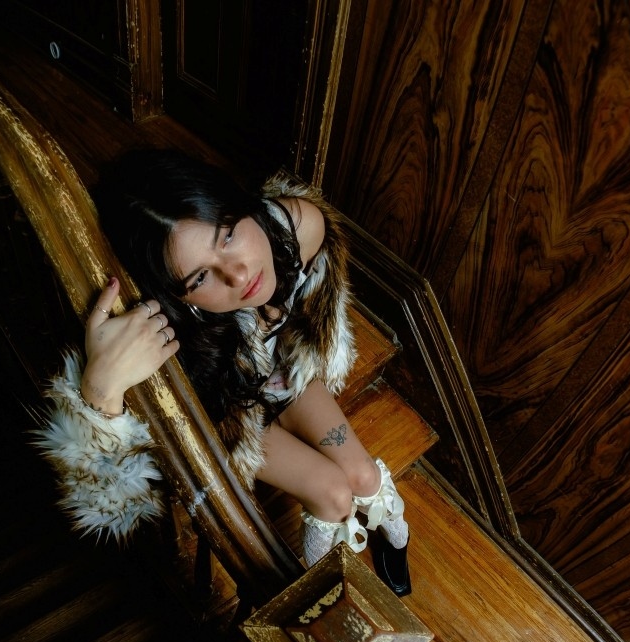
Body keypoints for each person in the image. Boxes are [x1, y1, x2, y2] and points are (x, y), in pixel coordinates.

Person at [34, 150, 411, 595]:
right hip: (231, 412)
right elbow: (113, 492)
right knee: (333, 493)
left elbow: (306, 321)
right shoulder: (170, 339)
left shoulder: (298, 226)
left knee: (364, 477)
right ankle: (321, 590)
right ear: (175, 297)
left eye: (228, 234)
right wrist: (101, 388)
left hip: (281, 378)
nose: (238, 275)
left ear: (239, 205)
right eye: (199, 278)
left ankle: (396, 539)